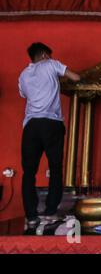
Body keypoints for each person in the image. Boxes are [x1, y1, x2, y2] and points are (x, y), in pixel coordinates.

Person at [19, 42, 80, 225]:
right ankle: (50, 212)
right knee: (55, 168)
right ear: (45, 54)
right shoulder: (51, 64)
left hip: (30, 126)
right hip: (51, 123)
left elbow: (24, 95)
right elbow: (75, 77)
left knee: (28, 172)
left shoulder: (23, 74)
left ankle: (31, 216)